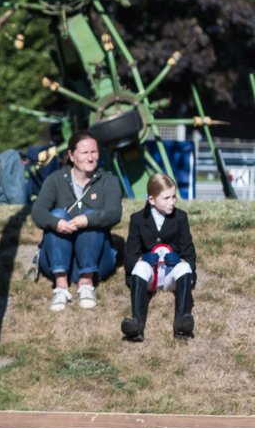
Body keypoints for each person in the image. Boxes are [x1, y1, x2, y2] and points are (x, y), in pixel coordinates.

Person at [30, 131, 123, 312]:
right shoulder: (55, 180)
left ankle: (86, 284)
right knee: (57, 214)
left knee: (92, 217)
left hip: (98, 262)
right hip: (57, 259)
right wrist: (57, 223)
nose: (90, 158)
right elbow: (37, 212)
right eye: (84, 153)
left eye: (94, 152)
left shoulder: (109, 181)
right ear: (71, 155)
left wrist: (86, 219)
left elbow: (114, 214)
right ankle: (61, 286)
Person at [121, 174, 196, 342]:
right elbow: (129, 259)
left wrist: (180, 260)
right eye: (166, 198)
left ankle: (182, 323)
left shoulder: (181, 218)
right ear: (152, 200)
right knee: (139, 268)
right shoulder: (137, 219)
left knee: (185, 268)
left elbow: (190, 255)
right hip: (149, 276)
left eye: (174, 196)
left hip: (171, 276)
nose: (173, 202)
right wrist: (142, 260)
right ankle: (136, 324)